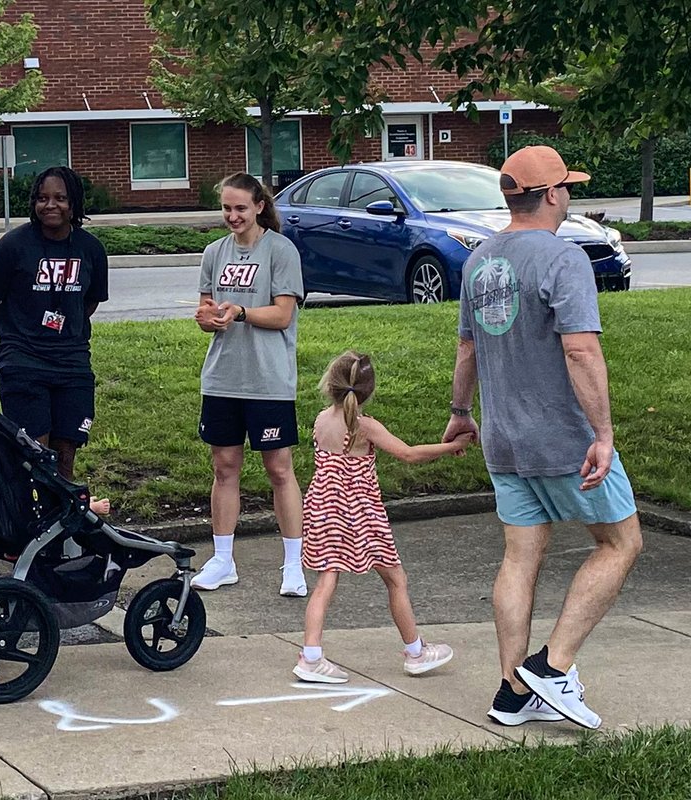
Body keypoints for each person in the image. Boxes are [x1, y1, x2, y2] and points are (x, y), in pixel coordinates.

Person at [445, 145, 642, 730]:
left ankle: (511, 693)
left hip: (503, 438)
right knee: (621, 543)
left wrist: (461, 409)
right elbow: (580, 348)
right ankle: (552, 668)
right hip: (564, 439)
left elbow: (468, 347)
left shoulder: (479, 259)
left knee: (519, 558)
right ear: (552, 194)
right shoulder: (564, 258)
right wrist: (602, 434)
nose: (569, 195)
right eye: (568, 187)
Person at [294, 351, 468, 684]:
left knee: (326, 579)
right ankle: (415, 652)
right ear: (368, 391)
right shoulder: (364, 426)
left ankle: (311, 655)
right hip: (360, 512)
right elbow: (408, 454)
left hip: (321, 508)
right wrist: (451, 447)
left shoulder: (320, 420)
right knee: (395, 579)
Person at [191, 172, 307, 597]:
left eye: (240, 208)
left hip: (268, 380)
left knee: (279, 469)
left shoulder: (281, 250)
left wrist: (239, 312)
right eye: (226, 208)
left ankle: (293, 565)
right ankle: (223, 560)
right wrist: (208, 318)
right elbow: (207, 310)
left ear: (259, 205)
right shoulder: (213, 253)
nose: (232, 216)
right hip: (222, 378)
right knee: (224, 468)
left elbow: (281, 316)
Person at [0, 166, 109, 481]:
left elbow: (89, 302)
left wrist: (66, 331)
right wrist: (17, 337)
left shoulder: (90, 249)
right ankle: (29, 523)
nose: (50, 205)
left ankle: (60, 524)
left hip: (73, 364)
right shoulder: (13, 246)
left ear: (74, 203)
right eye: (42, 198)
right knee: (35, 456)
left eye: (60, 198)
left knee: (66, 456)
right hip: (23, 364)